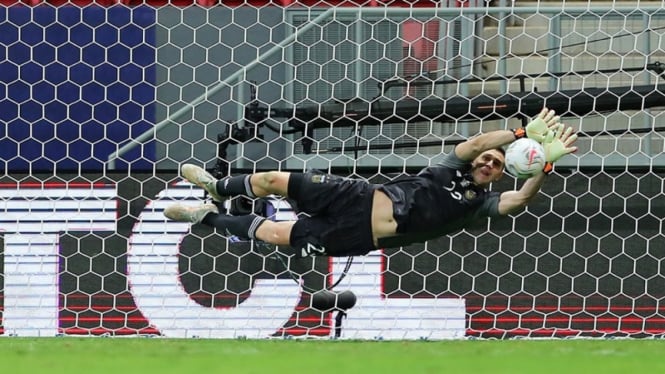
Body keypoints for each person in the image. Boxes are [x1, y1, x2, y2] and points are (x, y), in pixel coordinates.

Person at [164, 108, 578, 257]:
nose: (489, 162)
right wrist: (522, 134)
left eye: (496, 165)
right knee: (273, 179)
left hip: (356, 234)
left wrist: (543, 168)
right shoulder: (449, 166)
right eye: (487, 159)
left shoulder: (478, 206)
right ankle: (220, 188)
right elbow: (479, 141)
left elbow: (519, 201)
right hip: (357, 195)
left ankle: (205, 217)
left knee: (273, 233)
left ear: (502, 173)